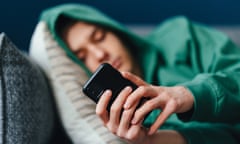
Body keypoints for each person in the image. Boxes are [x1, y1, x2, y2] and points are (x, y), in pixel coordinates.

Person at [40, 3, 240, 144]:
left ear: (115, 30)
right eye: (82, 57)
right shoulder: (124, 119)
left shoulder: (180, 34)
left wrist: (186, 95)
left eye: (99, 37)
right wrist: (152, 141)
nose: (100, 54)